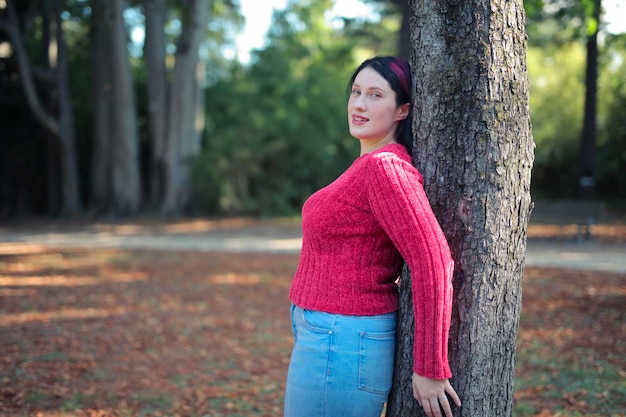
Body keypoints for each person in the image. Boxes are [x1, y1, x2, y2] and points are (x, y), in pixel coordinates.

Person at [284, 56, 461, 417]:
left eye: (376, 95)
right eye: (356, 92)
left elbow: (433, 260)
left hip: (342, 339)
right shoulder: (367, 165)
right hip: (331, 335)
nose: (360, 104)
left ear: (402, 110)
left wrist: (431, 368)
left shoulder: (385, 169)